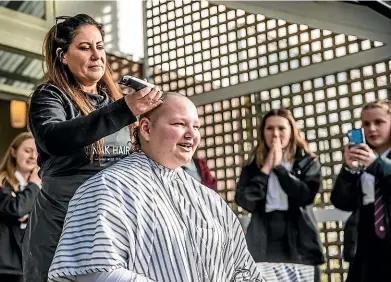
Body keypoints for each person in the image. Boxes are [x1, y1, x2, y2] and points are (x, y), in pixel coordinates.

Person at [47, 93, 266, 282]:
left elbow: (243, 269)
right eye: (179, 124)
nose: (191, 134)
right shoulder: (106, 188)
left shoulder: (209, 199)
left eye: (196, 126)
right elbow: (94, 272)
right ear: (146, 129)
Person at [23, 14, 162, 282]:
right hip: (61, 225)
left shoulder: (114, 101)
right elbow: (53, 138)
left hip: (111, 223)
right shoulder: (49, 95)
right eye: (85, 48)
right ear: (63, 55)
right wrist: (124, 110)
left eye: (100, 46)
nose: (97, 55)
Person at [235, 108, 324, 282]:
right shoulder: (252, 167)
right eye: (269, 128)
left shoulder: (307, 162)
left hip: (299, 239)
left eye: (281, 128)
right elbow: (245, 201)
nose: (275, 134)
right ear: (262, 133)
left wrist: (280, 169)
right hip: (263, 236)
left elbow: (306, 197)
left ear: (291, 131)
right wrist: (266, 168)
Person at [331, 100, 391, 282]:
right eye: (366, 124)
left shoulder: (374, 162)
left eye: (379, 122)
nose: (372, 129)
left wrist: (375, 164)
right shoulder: (361, 159)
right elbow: (341, 202)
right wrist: (349, 170)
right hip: (365, 244)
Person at [0, 132, 41, 282]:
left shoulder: (44, 187)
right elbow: (18, 209)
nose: (32, 156)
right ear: (13, 152)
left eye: (37, 152)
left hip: (32, 264)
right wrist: (34, 184)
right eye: (27, 150)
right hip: (8, 267)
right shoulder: (2, 182)